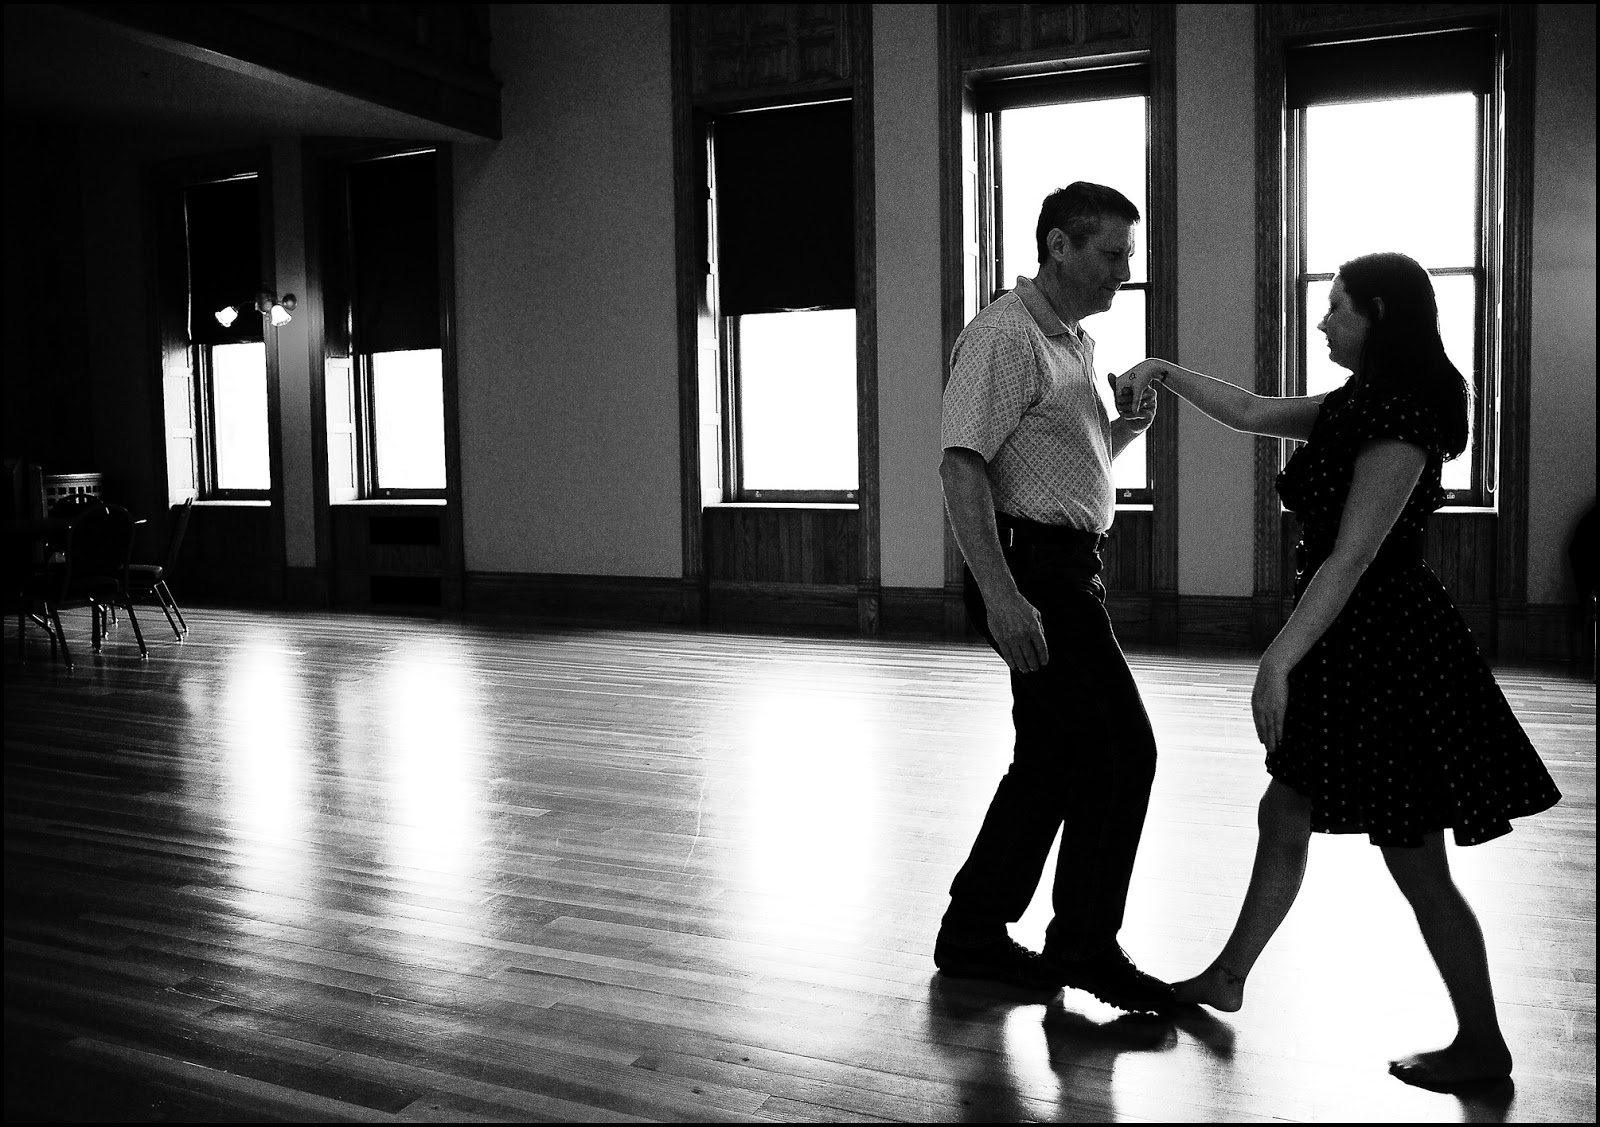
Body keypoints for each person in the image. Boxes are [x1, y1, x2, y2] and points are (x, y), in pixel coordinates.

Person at [1116, 252, 1562, 1087]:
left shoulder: (1401, 416)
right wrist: (1166, 372)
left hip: (1386, 646)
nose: (1322, 322)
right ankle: (1229, 975)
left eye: (1336, 309)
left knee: (1413, 855)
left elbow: (1355, 555)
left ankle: (1484, 1043)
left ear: (1381, 313)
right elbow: (1250, 410)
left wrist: (1277, 658)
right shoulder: (1357, 402)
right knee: (1285, 808)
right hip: (1350, 639)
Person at [933, 181, 1173, 1016]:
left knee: (1053, 757)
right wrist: (1000, 595)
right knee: (1123, 749)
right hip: (1029, 570)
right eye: (1112, 254)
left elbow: (1058, 453)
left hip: (1063, 565)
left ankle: (972, 932)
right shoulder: (1005, 334)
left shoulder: (1074, 339)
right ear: (1059, 246)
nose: (1123, 272)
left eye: (1128, 257)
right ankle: (1084, 943)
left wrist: (1127, 430)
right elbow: (962, 464)